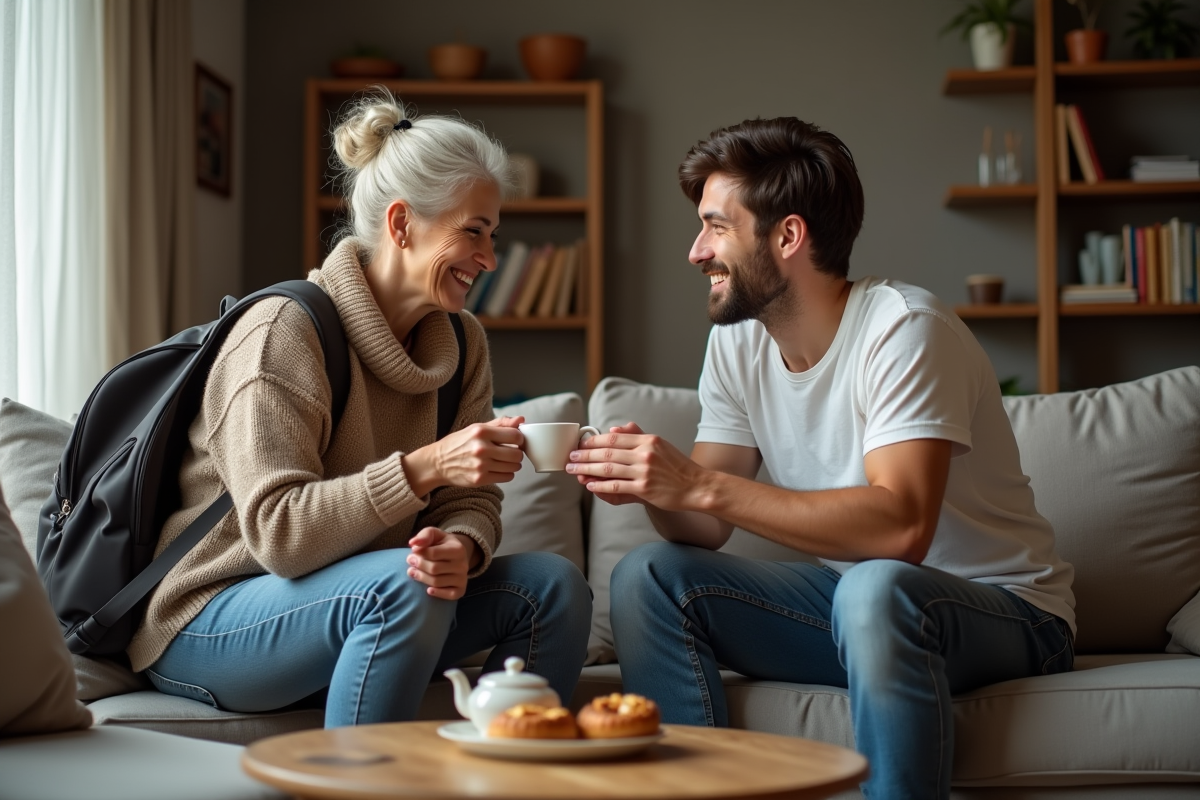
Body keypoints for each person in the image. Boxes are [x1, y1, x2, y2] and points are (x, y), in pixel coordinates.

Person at [567, 117, 1074, 799]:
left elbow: (901, 531)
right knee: (648, 576)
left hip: (1006, 613)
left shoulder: (902, 329)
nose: (696, 251)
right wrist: (656, 486)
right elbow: (703, 525)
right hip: (864, 612)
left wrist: (698, 484)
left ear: (788, 236)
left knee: (876, 585)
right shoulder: (738, 343)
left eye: (717, 226)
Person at [129, 91, 592, 727]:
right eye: (473, 233)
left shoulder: (462, 343)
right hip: (212, 616)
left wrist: (460, 545)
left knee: (553, 588)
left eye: (494, 235)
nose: (488, 259)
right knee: (405, 583)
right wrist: (425, 467)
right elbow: (280, 537)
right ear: (402, 225)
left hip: (357, 601)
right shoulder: (282, 332)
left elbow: (471, 500)